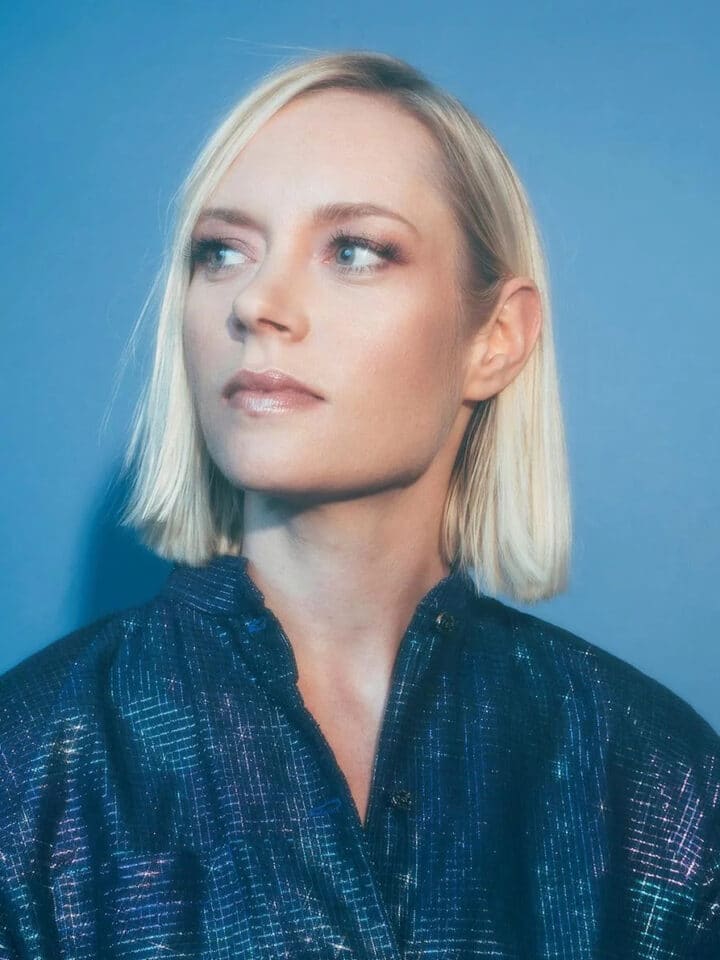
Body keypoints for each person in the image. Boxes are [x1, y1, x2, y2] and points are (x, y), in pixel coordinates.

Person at [1, 49, 718, 959]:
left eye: (354, 251)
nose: (257, 302)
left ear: (495, 338)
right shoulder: (28, 764)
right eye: (222, 251)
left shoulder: (656, 777)